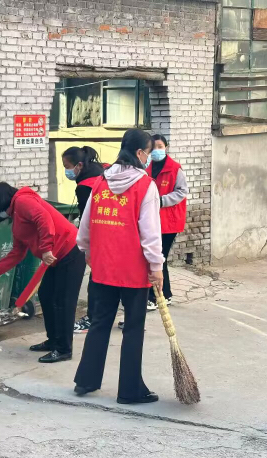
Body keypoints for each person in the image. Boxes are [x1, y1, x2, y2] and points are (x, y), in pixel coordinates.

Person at [74, 128, 164, 404]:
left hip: (103, 267)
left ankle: (86, 381)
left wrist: (87, 250)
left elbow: (85, 224)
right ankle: (130, 390)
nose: (150, 158)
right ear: (139, 153)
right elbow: (150, 232)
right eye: (149, 152)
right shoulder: (145, 185)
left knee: (100, 322)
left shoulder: (100, 182)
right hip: (133, 270)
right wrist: (156, 266)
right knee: (134, 328)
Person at [0, 183, 85, 363]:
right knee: (46, 296)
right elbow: (17, 253)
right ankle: (53, 340)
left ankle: (63, 349)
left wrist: (46, 249)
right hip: (56, 257)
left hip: (70, 250)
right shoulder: (17, 217)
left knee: (63, 301)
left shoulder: (23, 201)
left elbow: (44, 218)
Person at [62, 146, 105, 334]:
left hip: (100, 236)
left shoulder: (85, 187)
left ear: (79, 165)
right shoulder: (102, 170)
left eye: (67, 166)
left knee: (96, 278)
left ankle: (92, 318)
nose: (66, 171)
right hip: (116, 231)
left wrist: (85, 244)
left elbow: (88, 217)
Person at [145, 134, 188, 310]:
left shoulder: (175, 169)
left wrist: (161, 201)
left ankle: (157, 297)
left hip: (169, 221)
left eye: (160, 146)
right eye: (153, 147)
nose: (157, 150)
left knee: (158, 258)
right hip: (152, 221)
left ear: (166, 147)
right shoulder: (147, 168)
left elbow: (181, 191)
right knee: (158, 258)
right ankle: (165, 295)